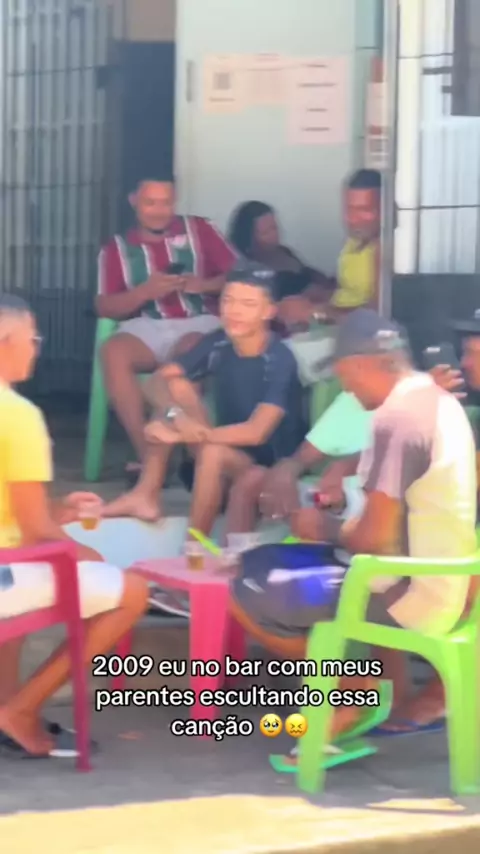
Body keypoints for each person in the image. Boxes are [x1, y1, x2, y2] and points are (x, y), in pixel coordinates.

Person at [228, 308, 477, 744]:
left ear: (364, 365)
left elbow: (374, 540)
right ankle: (370, 690)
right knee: (278, 561)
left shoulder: (398, 421)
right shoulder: (436, 402)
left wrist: (322, 526)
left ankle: (354, 691)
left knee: (250, 587)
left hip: (414, 593)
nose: (344, 386)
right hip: (437, 577)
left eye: (345, 374)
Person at [0, 295, 149, 757]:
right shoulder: (16, 414)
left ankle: (6, 707)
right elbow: (35, 532)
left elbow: (17, 510)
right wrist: (85, 554)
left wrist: (59, 509)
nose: (37, 348)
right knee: (130, 591)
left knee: (32, 580)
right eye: (33, 338)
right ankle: (20, 710)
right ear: (6, 341)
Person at [103, 260, 305, 534]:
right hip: (221, 451)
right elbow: (154, 382)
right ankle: (146, 495)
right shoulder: (219, 342)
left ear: (269, 311)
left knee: (211, 451)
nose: (234, 311)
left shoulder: (279, 359)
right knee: (177, 388)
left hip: (265, 469)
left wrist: (182, 434)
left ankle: (195, 543)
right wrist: (177, 417)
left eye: (248, 304)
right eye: (228, 301)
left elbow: (256, 433)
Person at [96, 174, 236, 472]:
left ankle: (187, 450)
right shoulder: (116, 248)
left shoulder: (200, 230)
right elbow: (104, 305)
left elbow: (241, 275)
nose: (159, 211)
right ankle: (148, 455)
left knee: (189, 350)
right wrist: (145, 292)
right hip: (147, 325)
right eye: (150, 203)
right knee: (113, 351)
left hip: (199, 321)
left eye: (166, 203)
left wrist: (203, 285)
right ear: (134, 201)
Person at [228, 200, 332, 312]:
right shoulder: (254, 272)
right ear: (248, 238)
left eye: (274, 228)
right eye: (265, 233)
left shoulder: (282, 251)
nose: (274, 235)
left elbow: (308, 272)